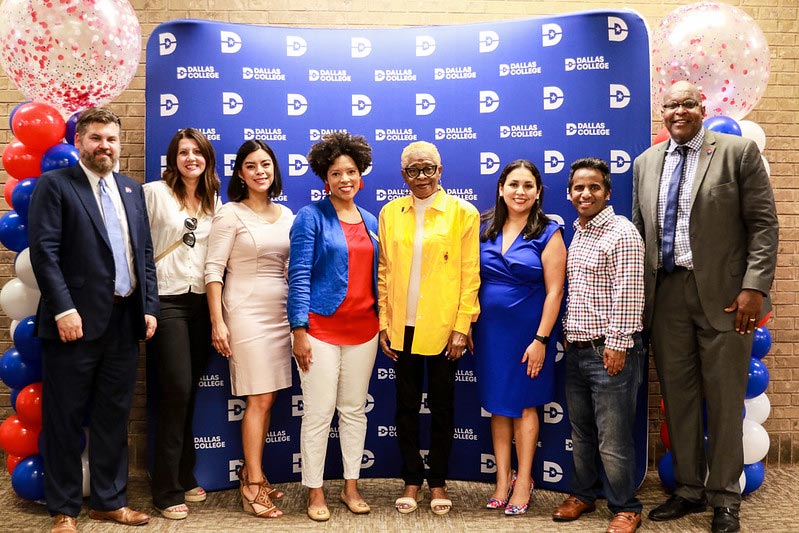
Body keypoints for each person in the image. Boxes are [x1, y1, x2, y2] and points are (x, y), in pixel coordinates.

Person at [632, 81, 778, 533]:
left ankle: (725, 498)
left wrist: (754, 287)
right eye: (672, 104)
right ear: (663, 111)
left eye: (688, 103)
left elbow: (763, 225)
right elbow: (641, 234)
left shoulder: (736, 152)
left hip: (726, 298)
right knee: (679, 398)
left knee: (726, 397)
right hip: (666, 295)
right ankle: (691, 490)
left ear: (702, 108)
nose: (680, 110)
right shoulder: (645, 163)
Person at [28, 107, 159, 533]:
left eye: (111, 139)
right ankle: (64, 510)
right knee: (64, 417)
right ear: (79, 142)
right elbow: (44, 254)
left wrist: (149, 308)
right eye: (96, 138)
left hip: (124, 321)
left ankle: (109, 501)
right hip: (74, 324)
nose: (105, 146)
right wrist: (65, 309)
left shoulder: (131, 189)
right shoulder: (56, 186)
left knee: (112, 416)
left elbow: (143, 256)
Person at [378, 140, 480, 516]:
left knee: (442, 407)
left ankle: (437, 481)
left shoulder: (463, 213)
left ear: (440, 171)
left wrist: (462, 324)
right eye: (413, 170)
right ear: (403, 175)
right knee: (404, 408)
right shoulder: (390, 213)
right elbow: (384, 271)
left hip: (443, 327)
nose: (421, 177)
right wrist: (383, 323)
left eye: (428, 169)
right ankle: (411, 479)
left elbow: (470, 274)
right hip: (401, 327)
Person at [287, 132, 380, 522]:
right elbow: (298, 275)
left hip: (365, 331)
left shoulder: (372, 219)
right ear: (326, 179)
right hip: (320, 332)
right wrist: (299, 330)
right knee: (319, 413)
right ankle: (315, 491)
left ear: (361, 176)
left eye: (352, 172)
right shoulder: (310, 217)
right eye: (337, 173)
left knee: (354, 411)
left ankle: (351, 486)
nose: (345, 179)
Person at [554, 158, 645, 533]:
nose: (585, 193)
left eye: (593, 187)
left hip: (610, 349)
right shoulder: (579, 232)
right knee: (582, 431)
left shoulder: (621, 233)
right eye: (578, 187)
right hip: (577, 349)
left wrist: (617, 344)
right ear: (570, 193)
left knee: (613, 436)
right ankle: (584, 494)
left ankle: (626, 505)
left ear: (607, 193)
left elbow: (628, 294)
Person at [205, 140, 293, 519]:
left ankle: (253, 470)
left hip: (282, 314)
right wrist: (217, 321)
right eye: (252, 166)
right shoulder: (230, 214)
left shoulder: (287, 214)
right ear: (240, 173)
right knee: (257, 399)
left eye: (266, 165)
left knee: (268, 397)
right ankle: (252, 484)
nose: (260, 171)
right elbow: (213, 271)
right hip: (244, 313)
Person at [472, 159, 566, 515]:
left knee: (525, 405)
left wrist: (541, 340)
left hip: (529, 332)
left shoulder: (549, 231)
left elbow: (555, 291)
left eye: (528, 186)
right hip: (491, 334)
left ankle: (524, 480)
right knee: (498, 405)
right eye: (513, 184)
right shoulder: (483, 227)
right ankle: (502, 479)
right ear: (501, 188)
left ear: (538, 192)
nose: (520, 192)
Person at [143, 128, 221, 520]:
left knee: (187, 392)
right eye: (183, 152)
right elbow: (138, 246)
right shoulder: (155, 193)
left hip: (202, 305)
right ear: (173, 158)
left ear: (207, 157)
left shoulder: (213, 201)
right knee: (174, 389)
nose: (191, 158)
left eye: (198, 152)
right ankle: (165, 487)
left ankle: (185, 473)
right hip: (167, 301)